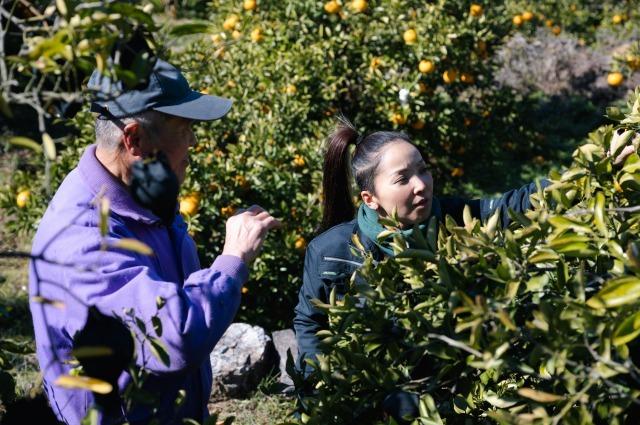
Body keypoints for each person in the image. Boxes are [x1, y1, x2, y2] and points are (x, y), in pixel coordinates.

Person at [28, 59, 280, 424]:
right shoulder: (84, 239)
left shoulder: (140, 195)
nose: (193, 143)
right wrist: (232, 259)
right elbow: (169, 339)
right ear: (134, 139)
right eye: (184, 129)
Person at [293, 121, 547, 372]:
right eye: (403, 178)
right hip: (371, 384)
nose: (422, 185)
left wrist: (572, 180)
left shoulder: (456, 221)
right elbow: (310, 322)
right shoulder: (331, 251)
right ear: (370, 199)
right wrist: (318, 389)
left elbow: (514, 205)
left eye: (423, 170)